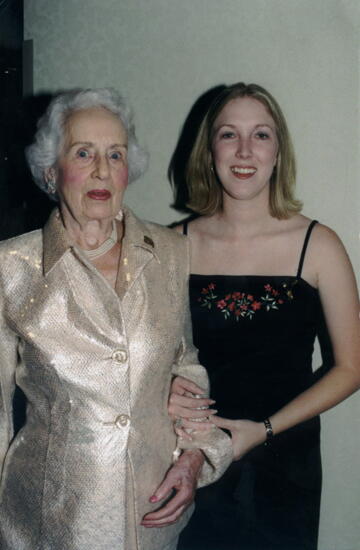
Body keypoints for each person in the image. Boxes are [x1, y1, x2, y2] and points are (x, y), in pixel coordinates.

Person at [0, 88, 233, 550]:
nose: (102, 170)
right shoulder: (11, 268)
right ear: (52, 170)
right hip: (53, 518)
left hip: (153, 506)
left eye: (115, 154)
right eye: (83, 153)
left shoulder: (168, 253)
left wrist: (191, 458)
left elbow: (185, 365)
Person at [168, 82, 360, 550]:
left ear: (279, 152)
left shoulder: (320, 245)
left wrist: (265, 429)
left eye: (261, 135)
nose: (245, 150)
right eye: (229, 134)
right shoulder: (171, 245)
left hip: (285, 460)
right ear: (209, 150)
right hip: (190, 454)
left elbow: (352, 368)